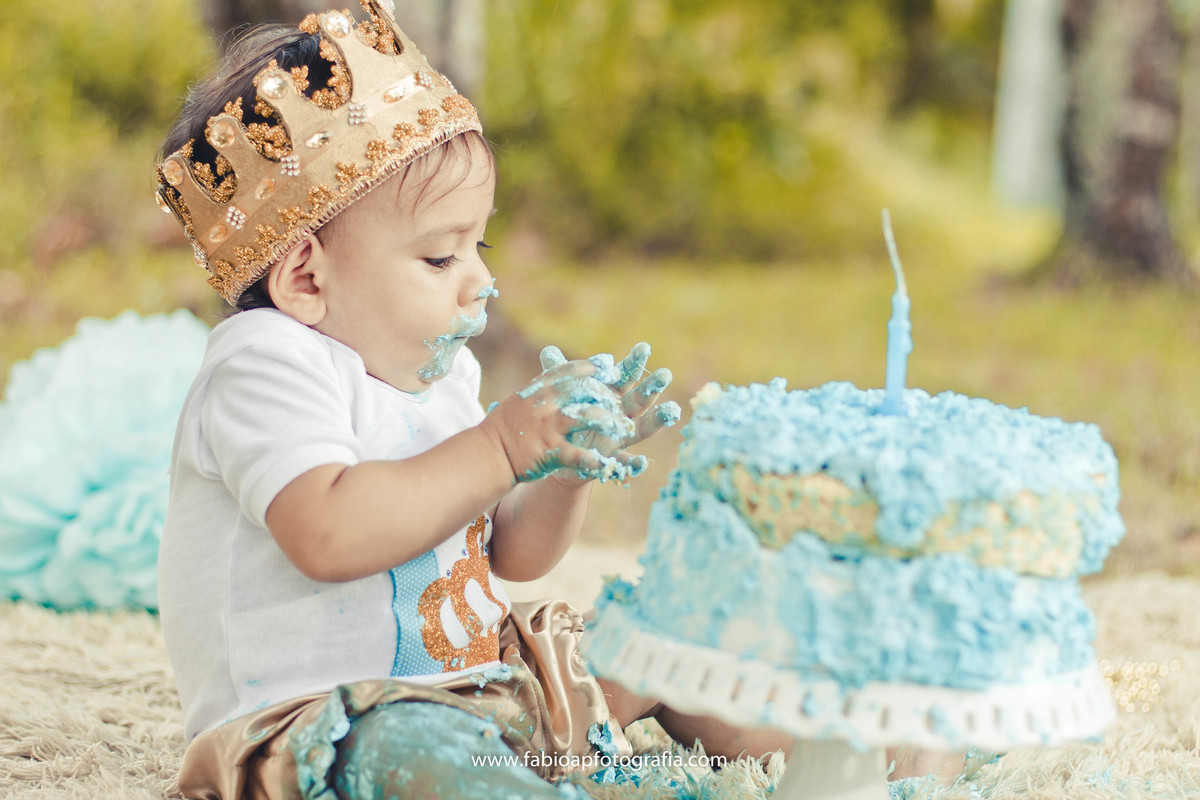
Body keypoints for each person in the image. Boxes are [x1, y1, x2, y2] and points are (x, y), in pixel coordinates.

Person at [155, 2, 790, 798]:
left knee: (656, 640)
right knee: (409, 744)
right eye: (439, 255)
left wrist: (560, 471)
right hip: (322, 726)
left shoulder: (442, 379)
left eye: (478, 246)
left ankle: (846, 760)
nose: (481, 280)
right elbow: (327, 532)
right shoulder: (263, 366)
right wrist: (499, 447)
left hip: (486, 692)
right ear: (306, 278)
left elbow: (508, 557)